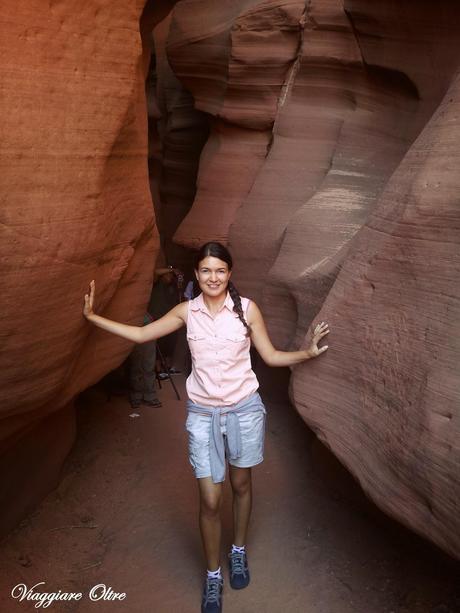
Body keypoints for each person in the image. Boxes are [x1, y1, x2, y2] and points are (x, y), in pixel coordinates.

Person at [83, 242, 329, 613]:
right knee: (210, 499)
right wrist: (93, 316)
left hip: (244, 410)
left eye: (220, 270)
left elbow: (271, 355)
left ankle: (239, 550)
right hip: (203, 415)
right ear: (196, 275)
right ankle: (214, 575)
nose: (212, 277)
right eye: (205, 271)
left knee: (241, 484)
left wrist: (307, 353)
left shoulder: (246, 311)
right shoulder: (187, 312)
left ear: (229, 274)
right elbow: (139, 336)